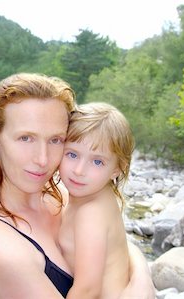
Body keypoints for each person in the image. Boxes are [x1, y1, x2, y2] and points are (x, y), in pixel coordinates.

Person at [0, 73, 155, 298]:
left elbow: (116, 245)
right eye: (26, 138)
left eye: (55, 140)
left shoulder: (59, 195)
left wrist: (143, 278)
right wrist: (140, 289)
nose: (42, 159)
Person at [59, 102, 134, 298]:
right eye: (72, 154)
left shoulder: (90, 213)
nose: (79, 170)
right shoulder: (95, 194)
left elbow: (87, 289)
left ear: (117, 169)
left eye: (97, 161)